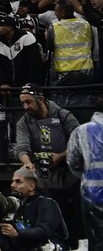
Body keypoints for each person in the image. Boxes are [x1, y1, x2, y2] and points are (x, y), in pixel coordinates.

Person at [14, 83, 82, 247]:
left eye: (29, 102)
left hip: (68, 181)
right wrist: (28, 163)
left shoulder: (63, 115)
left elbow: (80, 141)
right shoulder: (24, 122)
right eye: (22, 103)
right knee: (47, 225)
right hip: (43, 183)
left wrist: (60, 157)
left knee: (72, 226)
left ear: (41, 99)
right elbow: (21, 147)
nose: (25, 107)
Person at [0, 168, 68, 251]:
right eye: (12, 181)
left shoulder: (47, 203)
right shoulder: (15, 205)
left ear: (31, 186)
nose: (12, 185)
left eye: (18, 181)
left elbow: (44, 232)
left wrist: (17, 233)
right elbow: (5, 231)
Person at [66, 93, 103, 251]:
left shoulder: (82, 132)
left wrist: (87, 176)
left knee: (96, 241)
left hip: (91, 195)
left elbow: (72, 162)